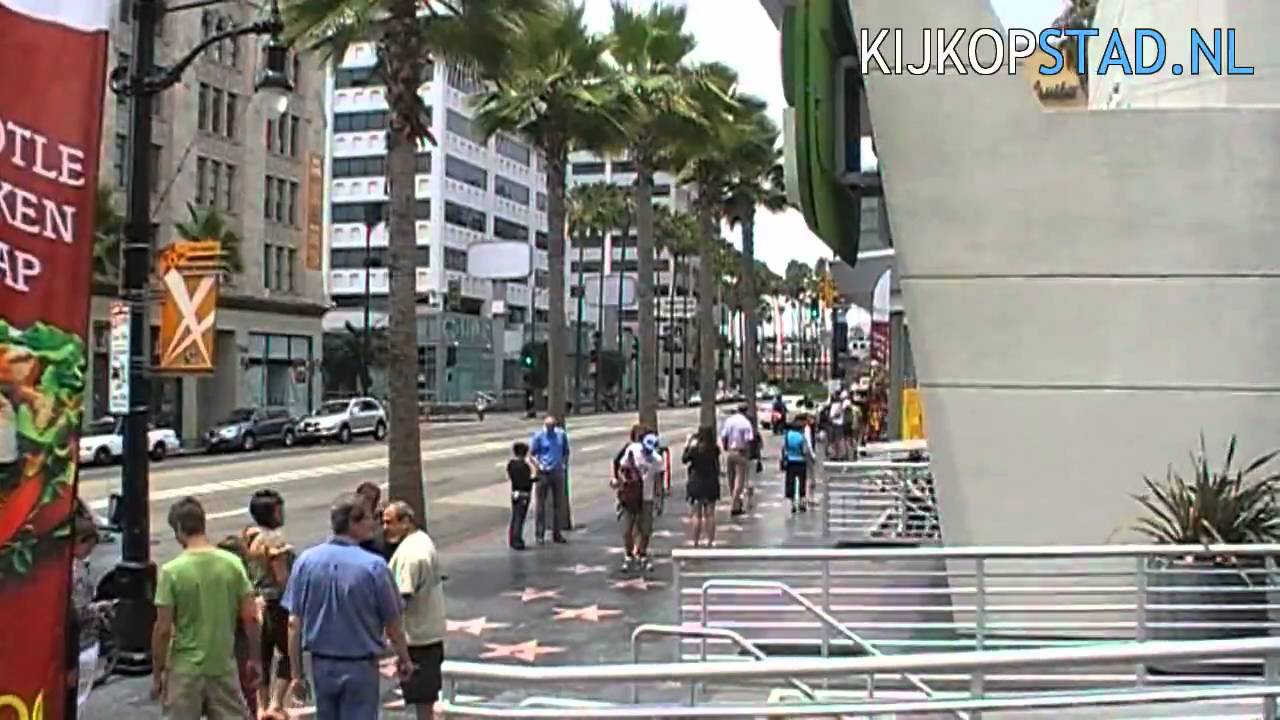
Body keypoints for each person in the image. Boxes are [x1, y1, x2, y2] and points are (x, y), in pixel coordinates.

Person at [283, 493, 414, 720]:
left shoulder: (306, 561)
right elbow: (393, 622)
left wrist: (296, 674)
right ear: (353, 522)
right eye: (369, 518)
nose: (374, 524)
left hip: (321, 665)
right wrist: (404, 657)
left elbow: (294, 623)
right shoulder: (374, 566)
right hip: (360, 666)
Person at [151, 496, 261, 720]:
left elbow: (162, 629)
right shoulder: (232, 564)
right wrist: (255, 658)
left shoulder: (172, 572)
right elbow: (250, 617)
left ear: (179, 529)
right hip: (222, 665)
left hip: (185, 670)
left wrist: (158, 672)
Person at [383, 501, 447, 720]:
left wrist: (390, 635)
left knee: (421, 700)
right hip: (427, 633)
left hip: (417, 638)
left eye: (389, 522)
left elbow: (401, 599)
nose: (385, 527)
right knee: (424, 702)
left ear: (406, 522)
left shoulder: (411, 554)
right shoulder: (422, 541)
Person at [242, 489, 295, 718]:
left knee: (262, 655)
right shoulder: (275, 539)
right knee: (287, 653)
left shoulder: (252, 538)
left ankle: (262, 706)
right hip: (277, 603)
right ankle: (276, 703)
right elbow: (282, 576)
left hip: (258, 600)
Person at [615, 427, 664, 572]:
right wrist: (622, 483)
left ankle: (642, 553)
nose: (648, 452)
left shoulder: (657, 460)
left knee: (646, 529)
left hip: (646, 497)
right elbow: (621, 468)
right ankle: (629, 554)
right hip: (630, 496)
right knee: (626, 528)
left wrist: (659, 500)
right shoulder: (632, 450)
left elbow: (659, 481)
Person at [529, 414, 570, 544]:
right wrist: (538, 465)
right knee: (541, 505)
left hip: (557, 472)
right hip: (543, 473)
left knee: (558, 505)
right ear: (545, 426)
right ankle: (539, 534)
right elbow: (532, 454)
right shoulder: (539, 436)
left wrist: (564, 464)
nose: (551, 430)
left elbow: (566, 451)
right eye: (549, 427)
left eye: (553, 427)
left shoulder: (560, 435)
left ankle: (556, 533)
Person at [682, 426, 722, 548]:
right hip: (711, 483)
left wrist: (688, 443)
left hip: (696, 483)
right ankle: (711, 541)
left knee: (696, 515)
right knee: (710, 514)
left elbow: (684, 459)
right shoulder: (714, 449)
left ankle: (695, 541)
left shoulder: (695, 450)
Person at [719, 403, 755, 516]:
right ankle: (735, 505)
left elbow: (723, 436)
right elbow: (749, 440)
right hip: (741, 452)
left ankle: (737, 502)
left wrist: (725, 448)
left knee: (731, 479)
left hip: (730, 452)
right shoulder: (746, 423)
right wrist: (748, 454)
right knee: (739, 480)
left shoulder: (729, 421)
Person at [782, 416, 817, 513]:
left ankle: (793, 503)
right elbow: (805, 450)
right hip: (801, 462)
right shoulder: (801, 437)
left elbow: (784, 448)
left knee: (791, 482)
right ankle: (802, 503)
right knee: (802, 483)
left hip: (790, 461)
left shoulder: (787, 435)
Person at [354, 481, 395, 559]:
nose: (365, 501)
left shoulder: (382, 518)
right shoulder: (350, 516)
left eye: (369, 499)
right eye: (363, 497)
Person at [507, 441, 536, 550]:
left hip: (514, 492)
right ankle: (517, 540)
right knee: (520, 518)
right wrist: (534, 478)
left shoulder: (511, 464)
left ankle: (512, 539)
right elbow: (526, 481)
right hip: (523, 493)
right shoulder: (524, 466)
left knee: (515, 517)